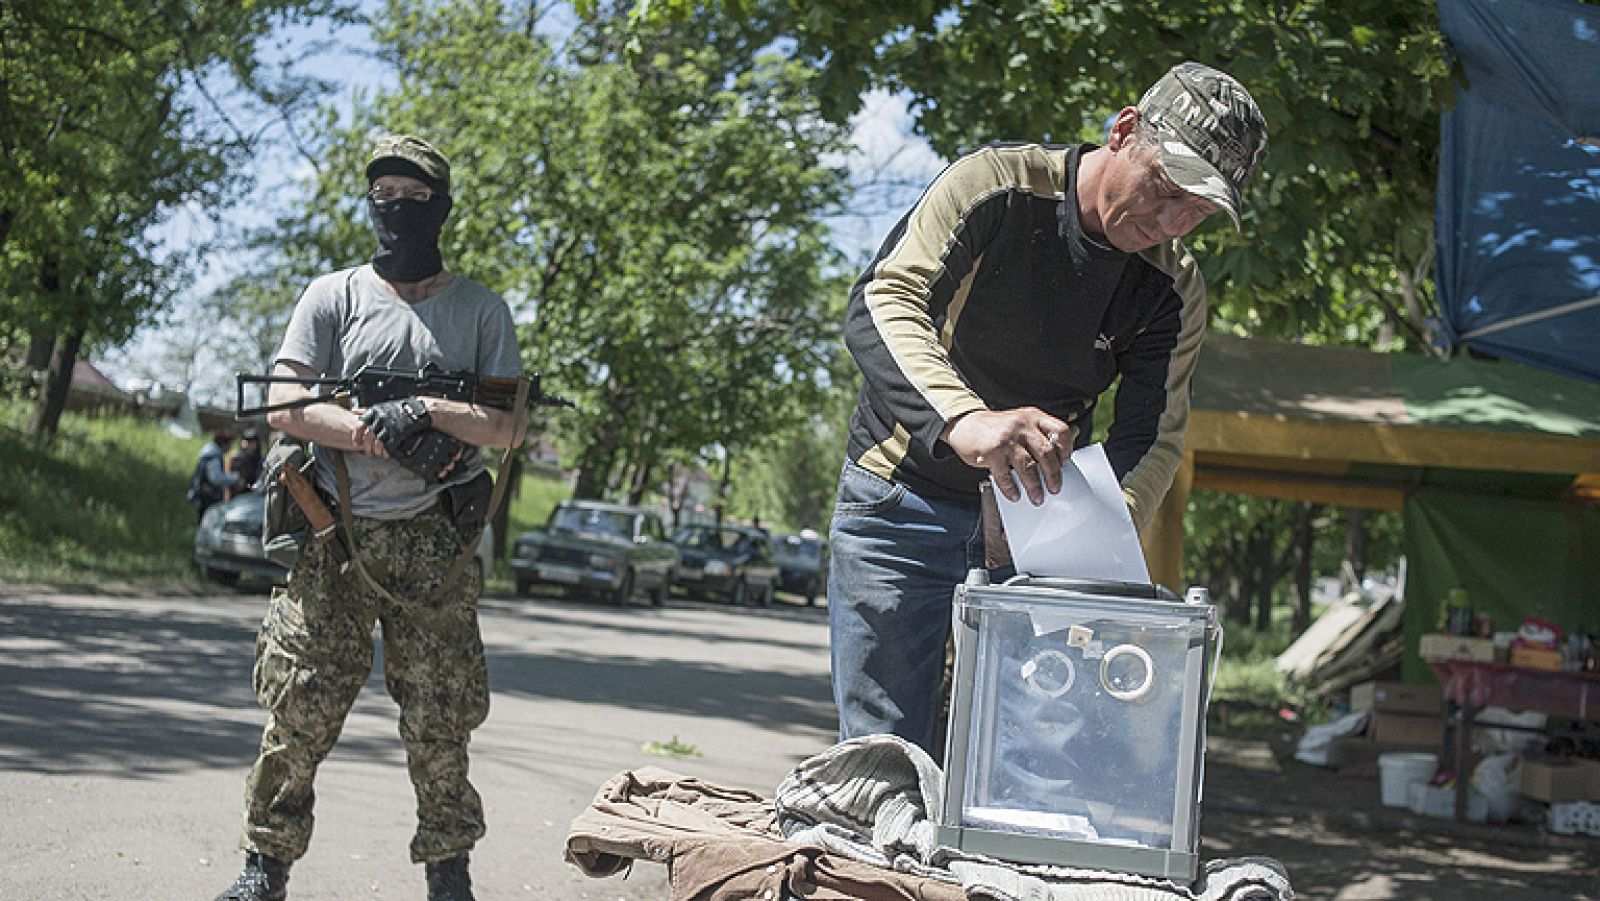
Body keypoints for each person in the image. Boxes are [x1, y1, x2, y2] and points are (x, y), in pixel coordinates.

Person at [826, 61, 1269, 757]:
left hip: (1039, 545)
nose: (1170, 221)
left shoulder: (1174, 290)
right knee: (884, 765)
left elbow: (1154, 438)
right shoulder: (993, 186)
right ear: (1124, 131)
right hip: (899, 503)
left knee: (1035, 768)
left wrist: (1088, 530)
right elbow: (885, 300)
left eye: (1198, 211)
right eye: (1165, 187)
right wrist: (966, 421)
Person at [213, 134, 526, 901]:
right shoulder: (335, 296)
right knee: (300, 707)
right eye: (382, 198)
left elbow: (508, 423)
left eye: (412, 199)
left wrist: (429, 412)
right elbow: (286, 402)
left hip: (434, 544)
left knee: (441, 719)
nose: (395, 212)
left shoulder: (480, 309)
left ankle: (449, 874)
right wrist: (366, 428)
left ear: (441, 207)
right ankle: (265, 869)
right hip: (333, 535)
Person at [188, 429, 242, 519]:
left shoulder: (208, 454)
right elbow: (216, 478)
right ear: (225, 444)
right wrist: (235, 478)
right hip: (207, 497)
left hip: (202, 495)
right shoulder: (213, 457)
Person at [225, 427, 264, 500]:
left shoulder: (261, 460)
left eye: (252, 442)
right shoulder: (234, 458)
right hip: (236, 497)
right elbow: (227, 480)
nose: (248, 444)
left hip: (255, 496)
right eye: (246, 441)